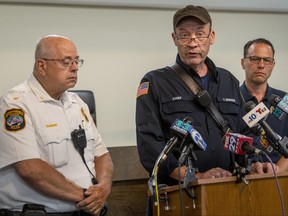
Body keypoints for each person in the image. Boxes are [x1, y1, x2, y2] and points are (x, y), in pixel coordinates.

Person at [136, 3, 244, 201]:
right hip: (181, 194)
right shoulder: (154, 82)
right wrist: (195, 176)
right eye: (184, 35)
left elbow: (242, 132)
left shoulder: (229, 81)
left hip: (229, 188)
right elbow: (150, 146)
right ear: (174, 39)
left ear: (211, 37)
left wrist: (252, 162)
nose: (193, 43)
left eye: (200, 34)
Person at [0, 35, 114, 215]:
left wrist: (103, 188)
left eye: (77, 61)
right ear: (42, 66)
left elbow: (102, 156)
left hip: (87, 210)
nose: (75, 68)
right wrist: (86, 196)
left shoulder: (78, 104)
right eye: (66, 61)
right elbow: (30, 169)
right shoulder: (15, 105)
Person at [240, 38, 288, 172]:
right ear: (243, 63)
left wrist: (276, 172)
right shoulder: (231, 100)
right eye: (255, 59)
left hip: (279, 179)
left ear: (273, 64)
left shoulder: (284, 100)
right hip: (241, 180)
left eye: (267, 60)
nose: (261, 65)